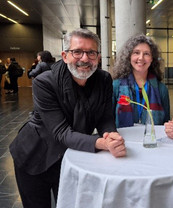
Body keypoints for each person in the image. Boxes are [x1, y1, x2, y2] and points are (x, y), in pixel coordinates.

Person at [9, 28, 127, 208]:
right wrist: (102, 144)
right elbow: (61, 132)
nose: (85, 58)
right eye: (77, 52)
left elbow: (105, 117)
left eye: (91, 52)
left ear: (98, 56)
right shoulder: (44, 82)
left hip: (71, 156)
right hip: (35, 155)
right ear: (65, 56)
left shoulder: (103, 79)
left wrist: (110, 135)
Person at [112, 34, 170, 128]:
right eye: (136, 52)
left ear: (152, 58)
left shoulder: (161, 89)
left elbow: (166, 122)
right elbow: (109, 121)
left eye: (146, 54)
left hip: (152, 140)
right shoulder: (116, 86)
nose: (141, 58)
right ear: (129, 56)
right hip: (123, 140)